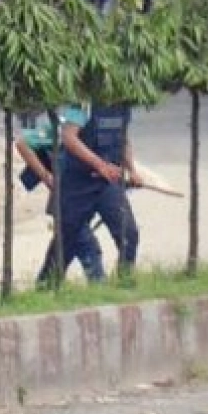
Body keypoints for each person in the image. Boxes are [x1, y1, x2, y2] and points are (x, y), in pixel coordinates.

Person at [44, 103, 141, 283]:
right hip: (77, 183)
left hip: (107, 183)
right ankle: (46, 286)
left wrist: (132, 170)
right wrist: (100, 165)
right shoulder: (84, 103)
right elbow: (69, 137)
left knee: (128, 232)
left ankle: (125, 283)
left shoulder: (123, 102)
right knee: (66, 241)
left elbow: (123, 138)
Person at [15, 110, 105, 282]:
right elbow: (23, 143)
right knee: (86, 246)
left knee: (63, 248)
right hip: (66, 199)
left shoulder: (95, 129)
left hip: (83, 196)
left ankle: (46, 285)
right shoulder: (63, 126)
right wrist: (46, 176)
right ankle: (98, 284)